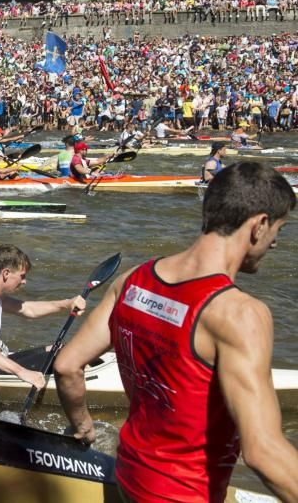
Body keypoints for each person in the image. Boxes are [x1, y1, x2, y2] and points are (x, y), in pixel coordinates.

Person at [55, 162, 298, 502]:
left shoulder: (132, 280)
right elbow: (263, 452)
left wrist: (82, 425)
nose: (274, 244)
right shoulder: (240, 314)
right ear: (258, 225)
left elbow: (67, 365)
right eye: (279, 231)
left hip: (130, 475)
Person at [0, 244, 86, 387]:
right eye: (22, 276)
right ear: (6, 273)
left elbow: (28, 309)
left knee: (57, 348)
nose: (24, 281)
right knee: (67, 357)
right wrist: (23, 372)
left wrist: (67, 304)